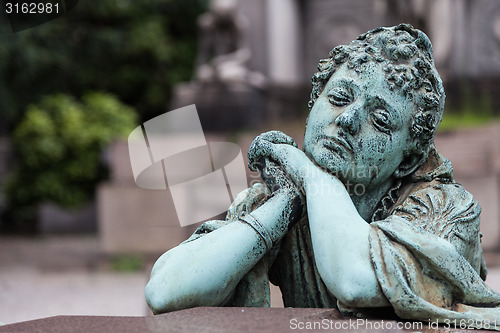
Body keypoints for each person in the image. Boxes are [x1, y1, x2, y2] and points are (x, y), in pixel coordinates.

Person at [146, 24, 500, 328]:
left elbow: (357, 281)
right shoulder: (283, 197)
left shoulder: (449, 210)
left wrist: (310, 174)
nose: (347, 120)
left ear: (407, 160)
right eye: (339, 97)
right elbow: (166, 290)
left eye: (380, 121)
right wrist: (286, 203)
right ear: (314, 100)